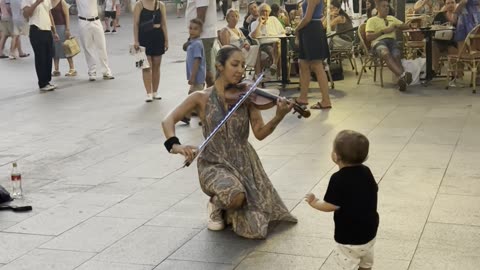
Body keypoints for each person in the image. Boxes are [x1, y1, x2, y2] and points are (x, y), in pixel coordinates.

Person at [162, 46, 298, 239]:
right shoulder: (200, 98)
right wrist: (177, 146)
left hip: (244, 162)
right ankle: (216, 204)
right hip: (213, 163)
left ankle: (225, 202)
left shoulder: (247, 96)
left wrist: (278, 117)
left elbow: (259, 133)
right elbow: (167, 120)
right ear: (219, 66)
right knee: (236, 197)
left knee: (257, 227)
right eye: (234, 64)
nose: (240, 70)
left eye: (243, 65)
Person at [305, 130, 379, 270]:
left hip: (349, 236)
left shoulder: (338, 178)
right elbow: (374, 189)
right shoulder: (366, 171)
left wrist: (314, 202)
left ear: (335, 156)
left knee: (347, 263)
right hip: (370, 230)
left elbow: (330, 205)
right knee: (366, 261)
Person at [366, 0, 412, 91]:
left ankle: (401, 80)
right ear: (377, 8)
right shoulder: (371, 20)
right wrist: (383, 31)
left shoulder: (392, 18)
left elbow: (406, 27)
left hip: (392, 41)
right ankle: (402, 75)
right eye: (384, 6)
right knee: (385, 53)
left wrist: (399, 26)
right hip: (378, 42)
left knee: (397, 55)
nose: (386, 8)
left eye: (387, 6)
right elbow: (368, 37)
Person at [294, 0, 332, 109]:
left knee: (316, 65)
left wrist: (297, 29)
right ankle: (303, 97)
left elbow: (307, 18)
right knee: (303, 64)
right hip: (309, 30)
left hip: (312, 29)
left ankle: (326, 100)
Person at [133, 0, 168, 102]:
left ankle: (155, 92)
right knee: (146, 66)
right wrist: (136, 40)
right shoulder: (139, 5)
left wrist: (166, 40)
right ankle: (148, 93)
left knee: (157, 65)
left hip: (158, 36)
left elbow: (164, 24)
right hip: (144, 37)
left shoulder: (161, 5)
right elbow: (135, 24)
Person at [21, 0, 60, 91]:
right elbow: (26, 14)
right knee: (41, 57)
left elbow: (49, 14)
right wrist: (37, 3)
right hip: (37, 30)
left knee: (48, 57)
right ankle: (42, 83)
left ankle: (47, 81)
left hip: (47, 30)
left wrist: (54, 31)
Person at [75, 0, 114, 81]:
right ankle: (92, 71)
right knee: (88, 48)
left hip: (96, 20)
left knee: (102, 46)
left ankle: (106, 71)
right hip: (83, 21)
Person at [186, 0, 217, 87]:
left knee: (206, 69)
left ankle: (211, 96)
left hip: (203, 35)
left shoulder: (197, 41)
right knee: (205, 68)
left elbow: (201, 13)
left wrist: (192, 36)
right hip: (202, 35)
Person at [250, 3, 285, 78]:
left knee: (278, 44)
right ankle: (278, 72)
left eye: (266, 11)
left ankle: (274, 65)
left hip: (276, 42)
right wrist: (260, 24)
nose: (265, 13)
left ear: (269, 12)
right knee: (273, 49)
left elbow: (283, 32)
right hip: (264, 45)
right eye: (262, 11)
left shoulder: (274, 19)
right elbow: (253, 36)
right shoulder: (255, 23)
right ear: (259, 12)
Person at [219, 9, 259, 73]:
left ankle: (257, 74)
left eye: (236, 16)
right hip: (234, 53)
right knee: (257, 50)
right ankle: (257, 73)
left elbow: (244, 39)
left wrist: (246, 44)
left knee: (260, 51)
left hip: (243, 50)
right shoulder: (225, 31)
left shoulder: (238, 30)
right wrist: (241, 46)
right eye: (232, 16)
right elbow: (226, 48)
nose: (235, 18)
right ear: (228, 18)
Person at [51, 0, 76, 77]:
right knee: (54, 49)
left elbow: (67, 15)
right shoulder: (48, 2)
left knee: (66, 48)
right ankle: (56, 69)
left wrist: (67, 29)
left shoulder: (62, 2)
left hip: (62, 27)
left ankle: (72, 68)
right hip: (52, 28)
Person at [432, 0, 457, 74]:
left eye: (452, 2)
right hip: (441, 41)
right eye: (448, 3)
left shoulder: (460, 15)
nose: (450, 5)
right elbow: (433, 27)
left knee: (454, 49)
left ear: (456, 4)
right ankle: (434, 70)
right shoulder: (440, 15)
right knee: (432, 44)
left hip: (454, 42)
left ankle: (456, 74)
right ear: (445, 5)